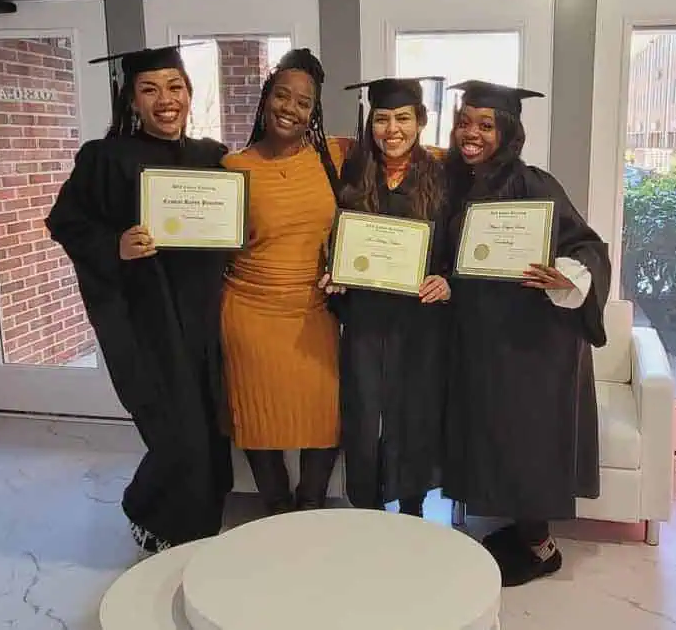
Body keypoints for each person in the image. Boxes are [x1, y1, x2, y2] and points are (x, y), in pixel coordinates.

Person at [45, 44, 233, 553]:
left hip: (206, 316)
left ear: (189, 93)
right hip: (146, 318)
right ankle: (150, 512)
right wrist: (115, 245)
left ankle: (202, 528)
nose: (165, 100)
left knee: (211, 428)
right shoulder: (105, 158)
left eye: (175, 87)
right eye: (149, 90)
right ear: (131, 99)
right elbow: (65, 222)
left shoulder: (213, 156)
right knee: (177, 431)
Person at [441, 80, 611, 587]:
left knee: (528, 439)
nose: (471, 133)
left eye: (485, 125)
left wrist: (567, 277)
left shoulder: (534, 184)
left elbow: (588, 247)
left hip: (533, 344)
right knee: (496, 437)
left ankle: (542, 549)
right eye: (464, 122)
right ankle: (520, 533)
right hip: (482, 341)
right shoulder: (457, 183)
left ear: (508, 132)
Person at [220, 48, 350, 515]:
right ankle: (274, 504)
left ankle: (310, 501)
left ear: (313, 111)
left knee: (325, 415)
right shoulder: (233, 168)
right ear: (265, 98)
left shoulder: (335, 156)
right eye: (281, 95)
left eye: (303, 102)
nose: (289, 108)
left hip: (313, 311)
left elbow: (404, 155)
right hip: (249, 312)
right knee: (257, 416)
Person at [323, 76, 453, 517]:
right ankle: (368, 508)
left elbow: (457, 247)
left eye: (402, 118)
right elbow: (335, 240)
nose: (392, 129)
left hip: (420, 321)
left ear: (420, 121)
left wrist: (448, 281)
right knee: (363, 414)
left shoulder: (443, 176)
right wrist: (336, 275)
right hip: (365, 317)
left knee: (414, 413)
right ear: (371, 124)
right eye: (381, 119)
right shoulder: (353, 171)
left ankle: (413, 507)